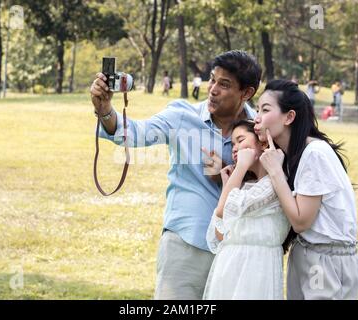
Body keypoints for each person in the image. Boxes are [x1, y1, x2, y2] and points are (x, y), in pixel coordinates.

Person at [90, 50, 262, 299]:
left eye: (224, 85)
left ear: (247, 93)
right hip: (186, 244)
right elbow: (134, 133)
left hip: (239, 250)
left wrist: (230, 171)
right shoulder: (182, 116)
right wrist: (105, 110)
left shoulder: (260, 128)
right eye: (212, 80)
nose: (213, 89)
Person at [255, 79, 358, 300]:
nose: (257, 117)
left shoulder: (314, 153)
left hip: (325, 261)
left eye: (265, 110)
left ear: (289, 117)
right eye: (257, 109)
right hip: (306, 254)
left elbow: (301, 221)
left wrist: (275, 172)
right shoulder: (290, 155)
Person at [203, 120, 290, 300]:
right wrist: (230, 182)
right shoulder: (245, 187)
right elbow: (219, 234)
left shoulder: (273, 185)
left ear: (262, 142)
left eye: (241, 140)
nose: (235, 148)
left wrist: (240, 168)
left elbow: (223, 211)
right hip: (228, 270)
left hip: (254, 272)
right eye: (233, 144)